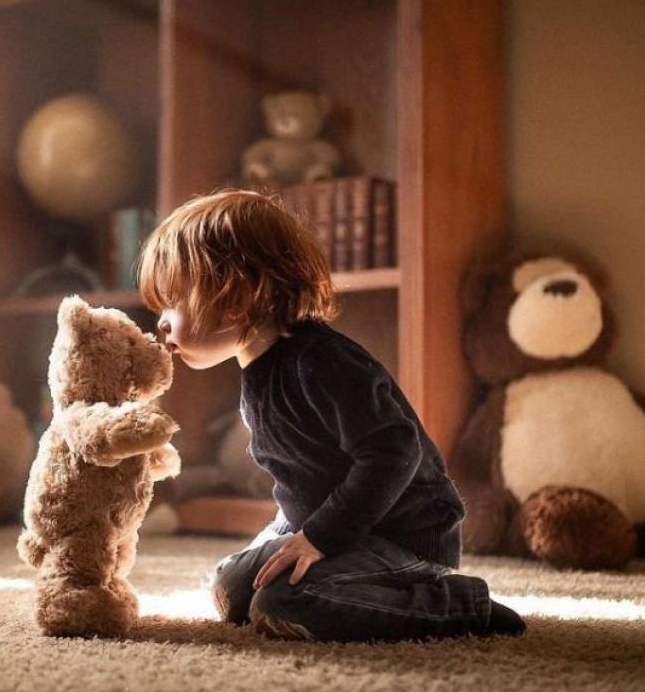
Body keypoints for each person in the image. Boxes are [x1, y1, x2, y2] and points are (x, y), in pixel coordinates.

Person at [137, 188, 526, 643]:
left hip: (401, 537)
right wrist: (290, 539)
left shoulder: (319, 362)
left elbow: (394, 452)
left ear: (238, 295)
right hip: (333, 528)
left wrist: (317, 539)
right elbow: (305, 481)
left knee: (284, 603)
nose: (161, 321)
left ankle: (459, 604)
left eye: (174, 302)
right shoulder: (258, 369)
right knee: (231, 587)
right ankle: (316, 571)